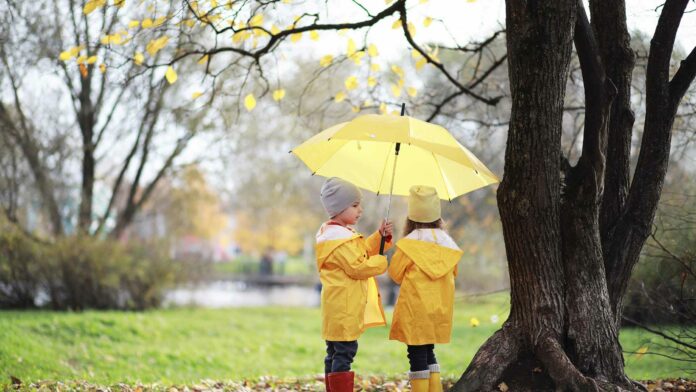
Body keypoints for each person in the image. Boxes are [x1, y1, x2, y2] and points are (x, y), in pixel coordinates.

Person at [315, 177, 393, 392]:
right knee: (344, 353)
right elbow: (358, 267)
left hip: (336, 308)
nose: (360, 210)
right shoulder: (339, 240)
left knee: (335, 352)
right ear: (339, 208)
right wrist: (380, 263)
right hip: (344, 309)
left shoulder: (337, 236)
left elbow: (361, 252)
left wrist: (380, 237)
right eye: (355, 205)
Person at [388, 185, 463, 392]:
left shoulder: (408, 245)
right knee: (428, 351)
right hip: (438, 311)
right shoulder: (449, 245)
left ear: (411, 217)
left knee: (417, 355)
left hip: (415, 312)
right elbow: (453, 273)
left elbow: (395, 274)